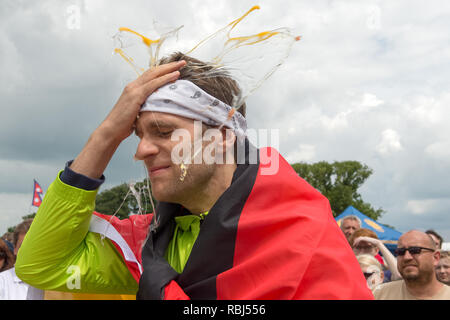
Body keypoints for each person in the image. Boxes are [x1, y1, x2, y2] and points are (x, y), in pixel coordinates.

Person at [16, 53, 373, 300]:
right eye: (136, 134)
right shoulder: (144, 242)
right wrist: (106, 134)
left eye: (163, 131)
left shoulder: (300, 231)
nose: (140, 151)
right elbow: (39, 265)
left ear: (220, 139)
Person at [373, 230, 450, 300]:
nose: (407, 257)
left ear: (435, 257)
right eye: (401, 252)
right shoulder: (379, 294)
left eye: (415, 251)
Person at [0, 219, 44, 300]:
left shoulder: (56, 284)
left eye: (35, 247)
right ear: (15, 249)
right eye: (23, 247)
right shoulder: (2, 283)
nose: (29, 252)